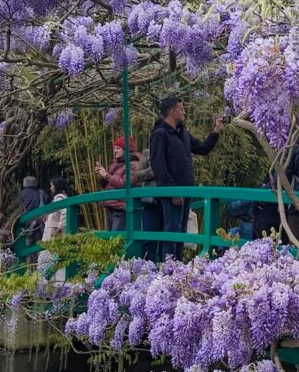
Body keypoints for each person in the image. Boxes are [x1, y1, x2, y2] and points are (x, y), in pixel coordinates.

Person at [148, 95, 226, 262]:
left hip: (185, 191)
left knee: (181, 232)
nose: (184, 112)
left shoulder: (182, 133)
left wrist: (216, 131)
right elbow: (158, 167)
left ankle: (176, 267)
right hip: (172, 193)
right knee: (172, 231)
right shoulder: (160, 134)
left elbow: (203, 149)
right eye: (181, 109)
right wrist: (173, 191)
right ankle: (168, 267)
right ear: (172, 111)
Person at [95, 136, 140, 232]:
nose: (115, 151)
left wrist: (106, 175)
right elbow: (107, 185)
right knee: (110, 239)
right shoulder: (115, 164)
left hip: (121, 207)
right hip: (110, 205)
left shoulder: (134, 164)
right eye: (114, 148)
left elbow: (125, 184)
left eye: (118, 148)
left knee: (117, 239)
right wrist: (101, 176)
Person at [39, 177, 71, 281]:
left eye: (52, 186)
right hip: (52, 228)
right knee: (51, 255)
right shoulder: (60, 198)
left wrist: (60, 227)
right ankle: (50, 278)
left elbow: (65, 212)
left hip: (54, 231)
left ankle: (49, 278)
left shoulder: (60, 198)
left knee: (51, 255)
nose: (51, 188)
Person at [135, 147, 162, 261]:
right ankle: (146, 268)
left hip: (168, 200)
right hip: (150, 201)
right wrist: (155, 170)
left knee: (167, 239)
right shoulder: (148, 152)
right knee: (148, 238)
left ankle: (165, 270)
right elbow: (138, 174)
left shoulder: (174, 149)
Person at [18, 175, 47, 262]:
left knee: (27, 246)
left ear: (25, 183)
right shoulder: (42, 193)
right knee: (40, 245)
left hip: (25, 225)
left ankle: (28, 266)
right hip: (41, 224)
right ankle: (40, 264)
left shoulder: (21, 195)